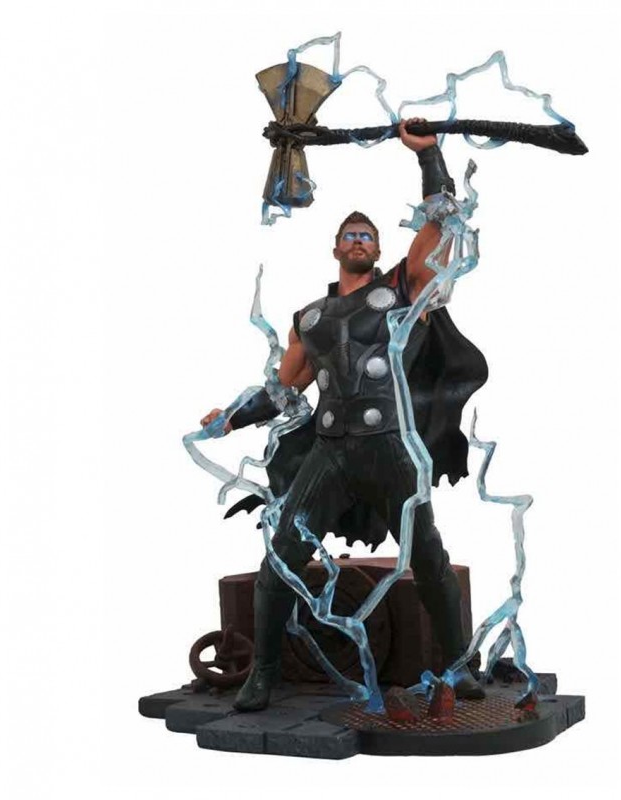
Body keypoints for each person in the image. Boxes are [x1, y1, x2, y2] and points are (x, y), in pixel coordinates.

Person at [200, 119, 488, 712]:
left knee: (428, 556)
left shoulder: (402, 291)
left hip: (391, 446)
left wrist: (428, 156)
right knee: (281, 558)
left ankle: (458, 667)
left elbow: (442, 224)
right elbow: (284, 390)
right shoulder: (310, 318)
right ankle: (264, 673)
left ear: (378, 250)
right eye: (350, 235)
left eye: (368, 236)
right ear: (335, 248)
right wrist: (230, 416)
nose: (359, 240)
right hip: (331, 452)